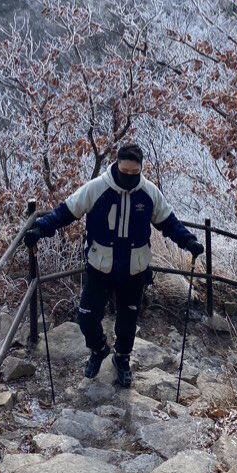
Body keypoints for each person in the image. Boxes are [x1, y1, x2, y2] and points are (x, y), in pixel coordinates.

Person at [24, 142, 204, 388]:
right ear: (117, 164)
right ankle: (98, 349)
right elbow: (66, 211)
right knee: (87, 319)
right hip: (99, 266)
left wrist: (189, 241)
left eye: (134, 172)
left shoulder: (149, 192)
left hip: (134, 269)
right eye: (124, 170)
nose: (128, 176)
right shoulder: (97, 188)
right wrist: (40, 229)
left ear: (140, 169)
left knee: (128, 322)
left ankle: (122, 359)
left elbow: (168, 222)